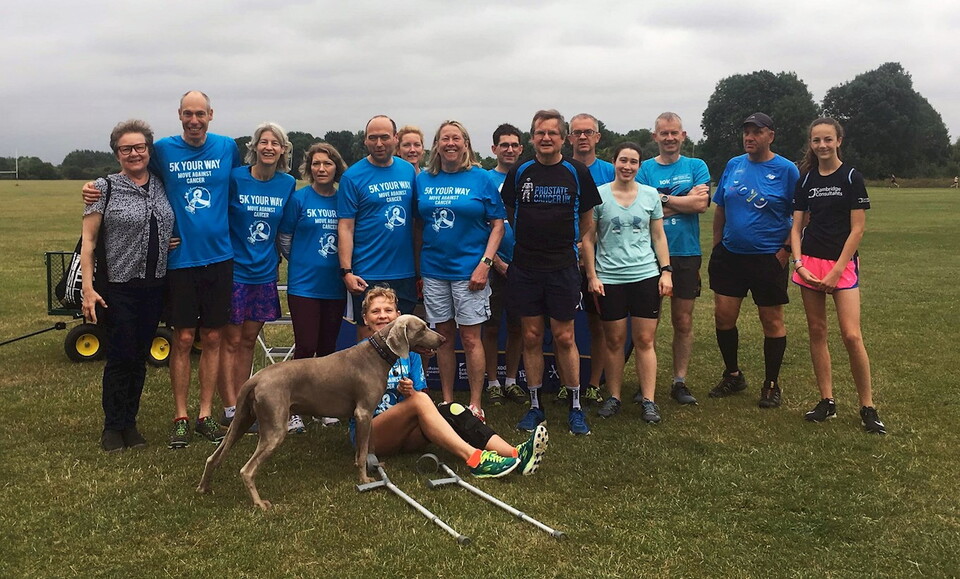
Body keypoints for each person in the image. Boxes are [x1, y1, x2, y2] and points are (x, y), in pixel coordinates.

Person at [83, 91, 241, 449]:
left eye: (200, 113)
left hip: (219, 257)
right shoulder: (164, 150)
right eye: (188, 114)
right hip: (179, 262)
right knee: (182, 339)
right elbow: (128, 173)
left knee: (212, 338)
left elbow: (239, 186)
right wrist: (92, 186)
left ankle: (205, 415)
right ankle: (180, 417)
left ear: (211, 114)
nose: (194, 120)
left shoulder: (227, 147)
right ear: (179, 115)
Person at [358, 287, 548, 477]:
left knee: (452, 409)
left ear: (399, 316)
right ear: (365, 319)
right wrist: (413, 397)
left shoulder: (411, 353)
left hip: (406, 434)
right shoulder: (359, 355)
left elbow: (420, 397)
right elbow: (354, 407)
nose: (382, 316)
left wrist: (411, 393)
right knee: (420, 401)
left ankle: (516, 454)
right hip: (371, 437)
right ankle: (476, 459)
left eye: (388, 310)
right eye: (375, 311)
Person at [501, 109, 602, 435]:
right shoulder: (520, 171)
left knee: (565, 336)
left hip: (562, 267)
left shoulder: (577, 172)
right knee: (531, 336)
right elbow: (511, 213)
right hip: (526, 267)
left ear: (563, 138)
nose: (546, 138)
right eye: (540, 133)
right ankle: (535, 406)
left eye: (553, 133)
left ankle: (575, 407)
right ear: (532, 137)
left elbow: (586, 221)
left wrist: (567, 246)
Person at [81, 120, 175, 452]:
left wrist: (170, 240)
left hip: (154, 286)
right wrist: (88, 289)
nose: (134, 153)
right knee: (120, 356)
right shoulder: (103, 187)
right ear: (117, 153)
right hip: (118, 286)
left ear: (149, 150)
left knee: (138, 357)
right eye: (126, 149)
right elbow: (89, 241)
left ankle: (130, 424)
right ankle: (113, 427)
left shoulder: (163, 184)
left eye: (140, 147)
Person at [790, 118, 885, 434]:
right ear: (811, 143)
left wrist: (837, 270)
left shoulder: (852, 177)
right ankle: (826, 401)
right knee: (817, 331)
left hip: (841, 266)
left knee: (851, 335)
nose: (822, 145)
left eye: (827, 139)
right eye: (816, 140)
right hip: (810, 263)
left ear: (838, 141)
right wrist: (798, 263)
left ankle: (867, 406)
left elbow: (857, 229)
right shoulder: (806, 179)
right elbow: (796, 226)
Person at [414, 121, 505, 422]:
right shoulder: (424, 179)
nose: (450, 143)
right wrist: (419, 269)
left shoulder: (481, 177)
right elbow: (418, 225)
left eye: (456, 138)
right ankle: (448, 402)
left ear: (466, 143)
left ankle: (476, 404)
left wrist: (486, 264)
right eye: (445, 138)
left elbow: (498, 225)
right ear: (437, 145)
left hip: (470, 273)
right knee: (442, 336)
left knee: (470, 338)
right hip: (434, 270)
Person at [708, 112, 799, 408]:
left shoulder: (786, 170)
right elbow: (721, 207)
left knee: (771, 320)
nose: (749, 137)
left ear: (770, 135)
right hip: (730, 256)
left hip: (768, 258)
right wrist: (718, 245)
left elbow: (801, 215)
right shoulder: (734, 165)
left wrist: (786, 250)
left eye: (756, 132)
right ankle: (733, 374)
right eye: (746, 131)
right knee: (724, 317)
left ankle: (771, 384)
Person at [583, 143, 672, 423]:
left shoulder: (650, 195)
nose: (628, 166)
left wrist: (666, 271)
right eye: (623, 160)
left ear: (639, 166)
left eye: (633, 162)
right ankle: (614, 397)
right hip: (609, 278)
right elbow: (588, 238)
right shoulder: (598, 195)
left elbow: (658, 236)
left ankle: (649, 400)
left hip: (645, 275)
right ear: (614, 162)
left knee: (645, 340)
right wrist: (592, 276)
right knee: (614, 341)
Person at [219, 123, 296, 430]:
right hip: (234, 270)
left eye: (275, 143)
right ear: (254, 147)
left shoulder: (287, 183)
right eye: (263, 142)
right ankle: (229, 408)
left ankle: (244, 405)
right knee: (230, 340)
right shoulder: (236, 177)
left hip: (264, 273)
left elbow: (285, 229)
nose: (268, 147)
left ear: (283, 150)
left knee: (249, 340)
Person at [637, 112, 711, 405]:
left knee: (682, 320)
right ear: (655, 136)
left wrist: (663, 199)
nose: (669, 138)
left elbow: (701, 204)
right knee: (648, 324)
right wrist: (684, 200)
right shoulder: (644, 169)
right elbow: (642, 210)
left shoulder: (696, 165)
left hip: (686, 252)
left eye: (674, 133)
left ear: (683, 135)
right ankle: (646, 381)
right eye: (664, 133)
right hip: (649, 255)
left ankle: (679, 381)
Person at [338, 115, 418, 340]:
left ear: (395, 138)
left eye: (384, 137)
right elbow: (345, 227)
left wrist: (419, 267)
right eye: (373, 138)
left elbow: (417, 221)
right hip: (367, 272)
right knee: (369, 342)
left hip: (404, 271)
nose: (379, 143)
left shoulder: (408, 171)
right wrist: (346, 271)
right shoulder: (352, 177)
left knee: (403, 339)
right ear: (365, 140)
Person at [559, 113, 615, 409]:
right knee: (561, 326)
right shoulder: (560, 167)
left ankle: (594, 384)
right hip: (562, 260)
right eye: (577, 132)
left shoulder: (610, 171)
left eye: (588, 132)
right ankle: (566, 383)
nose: (582, 137)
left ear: (597, 137)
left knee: (598, 324)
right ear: (569, 138)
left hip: (601, 262)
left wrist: (587, 247)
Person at [278, 143, 348, 361]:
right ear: (309, 168)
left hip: (335, 286)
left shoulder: (344, 200)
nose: (321, 169)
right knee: (306, 347)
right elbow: (285, 238)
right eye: (316, 164)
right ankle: (297, 385)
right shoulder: (299, 199)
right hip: (304, 286)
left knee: (328, 349)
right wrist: (302, 258)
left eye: (327, 163)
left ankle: (324, 386)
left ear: (336, 167)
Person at [483, 123, 526, 406]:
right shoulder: (484, 179)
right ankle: (492, 382)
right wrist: (496, 261)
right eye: (504, 145)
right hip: (492, 265)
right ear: (494, 149)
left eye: (514, 145)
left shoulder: (529, 176)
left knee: (518, 326)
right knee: (490, 326)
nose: (509, 149)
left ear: (521, 149)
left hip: (524, 265)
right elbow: (478, 225)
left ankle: (511, 381)